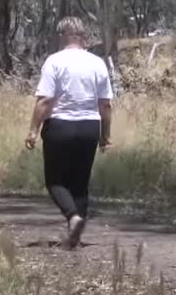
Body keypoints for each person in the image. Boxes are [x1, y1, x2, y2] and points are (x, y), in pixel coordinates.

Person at [24, 16, 113, 249]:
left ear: (63, 36)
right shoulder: (97, 63)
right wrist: (105, 135)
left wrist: (33, 130)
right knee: (80, 183)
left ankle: (73, 217)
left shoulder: (54, 61)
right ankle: (75, 235)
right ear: (83, 36)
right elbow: (105, 105)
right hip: (89, 127)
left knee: (55, 180)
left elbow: (44, 101)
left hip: (60, 127)